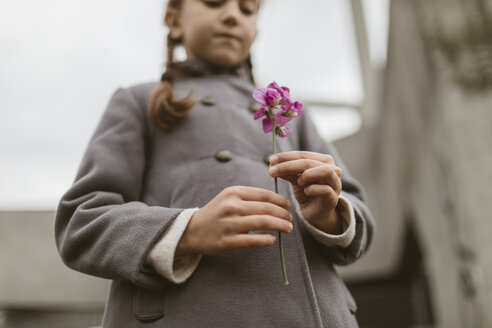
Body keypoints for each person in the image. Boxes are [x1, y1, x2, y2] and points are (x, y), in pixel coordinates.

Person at [55, 0, 374, 327]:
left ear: (256, 30)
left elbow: (359, 214)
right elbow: (81, 221)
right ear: (174, 20)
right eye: (214, 2)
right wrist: (188, 230)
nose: (233, 15)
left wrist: (329, 214)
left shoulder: (289, 113)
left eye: (247, 9)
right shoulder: (138, 101)